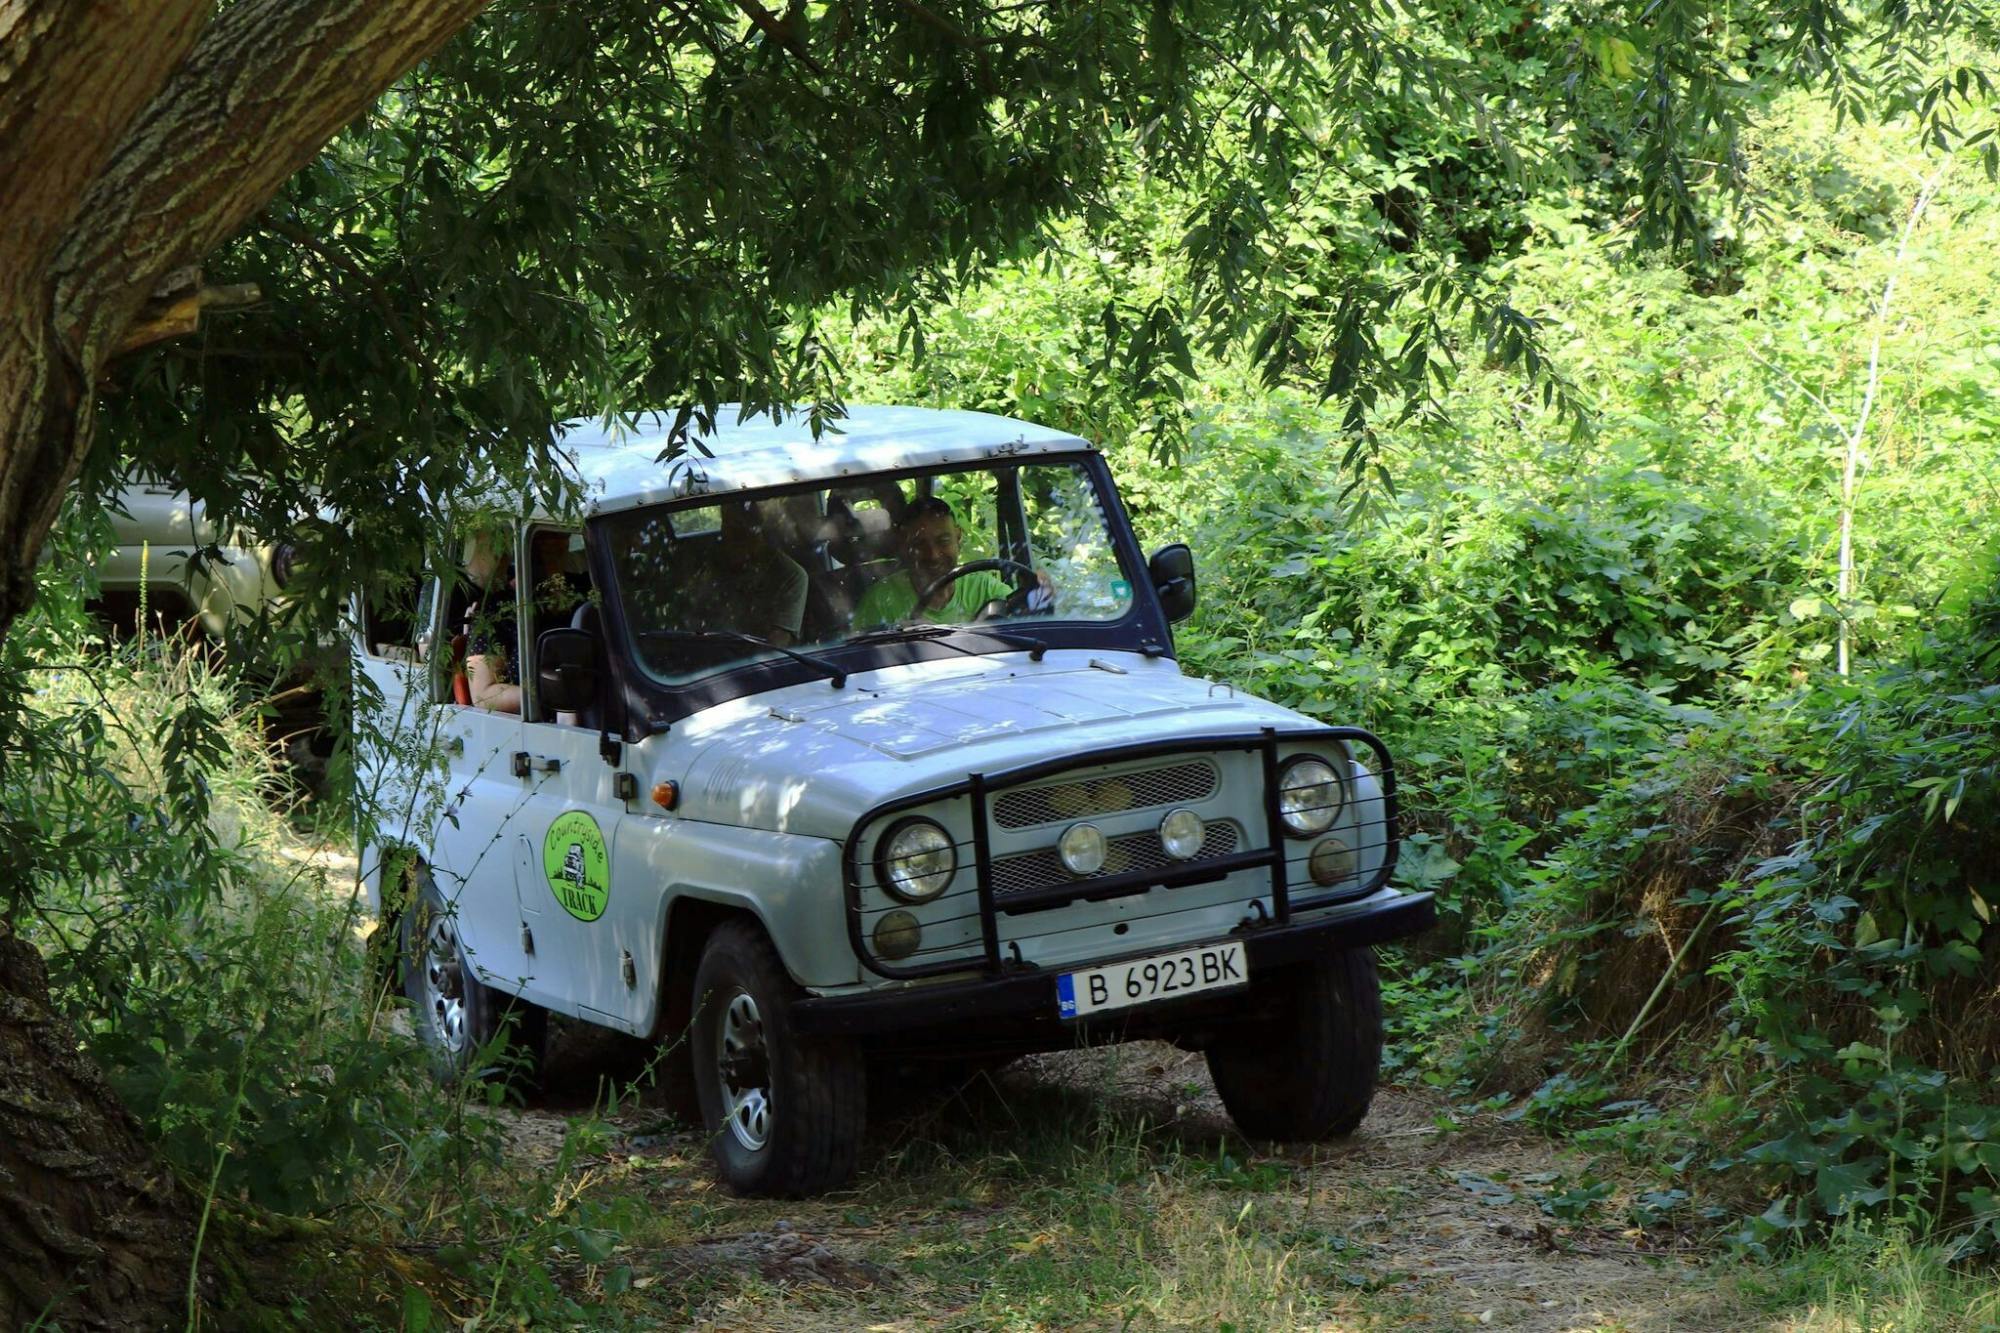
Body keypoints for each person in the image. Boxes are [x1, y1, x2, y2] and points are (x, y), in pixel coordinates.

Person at [852, 496, 1025, 628]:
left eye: (943, 541)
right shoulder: (881, 601)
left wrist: (1038, 592)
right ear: (904, 546)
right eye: (919, 544)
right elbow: (863, 657)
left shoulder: (984, 589)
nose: (933, 555)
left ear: (958, 538)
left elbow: (1026, 616)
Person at [678, 498, 809, 646]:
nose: (730, 538)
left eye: (739, 532)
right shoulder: (707, 567)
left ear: (758, 531)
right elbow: (691, 623)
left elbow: (777, 648)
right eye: (727, 527)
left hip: (755, 658)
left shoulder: (790, 575)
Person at [461, 532, 521, 714]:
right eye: (495, 550)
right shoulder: (493, 610)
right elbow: (483, 696)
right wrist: (546, 695)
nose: (503, 557)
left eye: (506, 550)